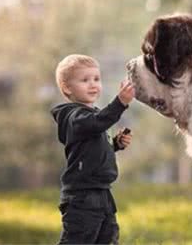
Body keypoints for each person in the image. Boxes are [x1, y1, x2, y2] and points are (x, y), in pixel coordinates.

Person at [51, 54, 135, 245]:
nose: (93, 84)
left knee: (108, 238)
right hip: (82, 196)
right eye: (85, 80)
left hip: (102, 193)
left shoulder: (91, 117)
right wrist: (120, 102)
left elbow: (92, 149)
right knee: (78, 240)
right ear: (66, 87)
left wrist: (115, 144)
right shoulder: (73, 117)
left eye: (96, 79)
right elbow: (97, 123)